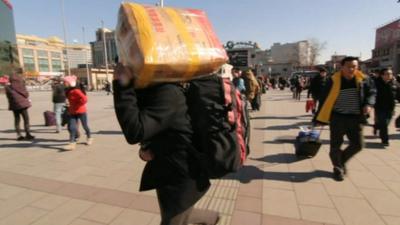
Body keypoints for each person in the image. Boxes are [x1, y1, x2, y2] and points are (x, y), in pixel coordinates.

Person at [113, 64, 219, 225]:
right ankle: (211, 218)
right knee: (175, 215)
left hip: (183, 174)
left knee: (172, 220)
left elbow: (135, 131)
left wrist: (123, 86)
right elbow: (160, 129)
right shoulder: (159, 89)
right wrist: (146, 147)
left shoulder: (167, 92)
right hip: (169, 169)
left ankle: (210, 218)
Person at [315, 56, 376, 181]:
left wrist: (369, 104)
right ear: (341, 67)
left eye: (354, 66)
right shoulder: (333, 80)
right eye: (349, 66)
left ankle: (340, 161)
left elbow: (372, 92)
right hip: (338, 118)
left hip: (355, 118)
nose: (351, 69)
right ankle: (338, 168)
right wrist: (318, 118)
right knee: (335, 145)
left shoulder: (364, 80)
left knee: (358, 145)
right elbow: (324, 99)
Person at [63, 75, 93, 150]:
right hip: (72, 111)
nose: (64, 83)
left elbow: (85, 99)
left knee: (85, 126)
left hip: (81, 111)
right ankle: (72, 143)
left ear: (70, 83)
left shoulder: (76, 90)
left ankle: (89, 137)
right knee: (72, 127)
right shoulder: (68, 90)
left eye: (65, 82)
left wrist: (78, 104)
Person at [373, 68, 400, 146]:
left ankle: (377, 126)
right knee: (384, 124)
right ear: (382, 75)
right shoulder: (376, 84)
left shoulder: (394, 84)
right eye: (387, 74)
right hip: (379, 107)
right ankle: (385, 140)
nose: (389, 75)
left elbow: (398, 95)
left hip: (390, 108)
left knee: (385, 123)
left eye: (391, 74)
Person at [4, 74, 35, 141]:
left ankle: (19, 135)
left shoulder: (7, 87)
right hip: (23, 105)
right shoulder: (20, 86)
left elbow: (8, 97)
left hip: (14, 106)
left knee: (17, 120)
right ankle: (28, 134)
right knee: (26, 119)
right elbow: (26, 94)